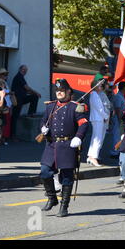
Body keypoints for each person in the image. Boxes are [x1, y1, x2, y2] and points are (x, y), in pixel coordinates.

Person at [39, 79, 89, 217]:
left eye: (62, 91)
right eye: (57, 91)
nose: (59, 93)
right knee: (45, 171)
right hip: (52, 144)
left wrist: (78, 137)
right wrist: (43, 128)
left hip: (68, 145)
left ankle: (64, 207)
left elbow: (84, 124)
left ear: (68, 91)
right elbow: (43, 120)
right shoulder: (51, 106)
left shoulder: (75, 107)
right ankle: (52, 198)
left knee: (67, 177)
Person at [11, 65, 41, 139]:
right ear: (20, 69)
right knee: (15, 116)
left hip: (22, 98)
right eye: (24, 69)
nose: (25, 71)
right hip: (17, 99)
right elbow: (26, 87)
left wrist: (33, 93)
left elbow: (25, 89)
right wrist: (36, 92)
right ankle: (13, 135)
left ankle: (30, 113)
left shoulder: (21, 77)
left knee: (34, 97)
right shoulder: (19, 76)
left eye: (26, 70)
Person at [86, 79, 109, 166]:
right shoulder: (94, 94)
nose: (101, 87)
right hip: (97, 118)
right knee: (98, 138)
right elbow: (99, 108)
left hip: (98, 118)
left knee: (96, 138)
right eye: (99, 86)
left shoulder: (95, 94)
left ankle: (91, 155)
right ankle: (93, 157)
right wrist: (106, 116)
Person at [0, 69, 14, 145]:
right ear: (0, 75)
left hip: (7, 104)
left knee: (6, 122)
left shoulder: (5, 82)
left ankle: (4, 138)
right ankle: (2, 138)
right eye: (3, 74)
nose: (5, 76)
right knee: (3, 122)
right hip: (3, 104)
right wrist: (10, 93)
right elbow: (0, 92)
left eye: (6, 74)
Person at [110, 82, 125, 157]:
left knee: (119, 136)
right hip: (118, 119)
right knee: (116, 136)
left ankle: (117, 151)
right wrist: (121, 120)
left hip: (119, 118)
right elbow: (118, 109)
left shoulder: (120, 96)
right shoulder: (118, 97)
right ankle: (114, 152)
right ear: (123, 88)